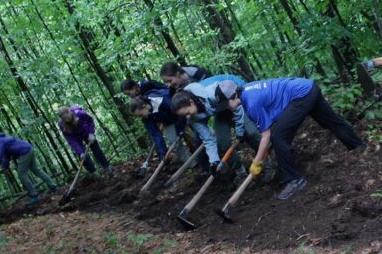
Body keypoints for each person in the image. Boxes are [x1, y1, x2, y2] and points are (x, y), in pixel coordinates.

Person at [218, 78, 364, 200]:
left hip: (300, 96)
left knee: (278, 138)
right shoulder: (248, 91)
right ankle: (358, 147)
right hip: (309, 87)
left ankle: (295, 180)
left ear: (233, 96)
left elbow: (266, 136)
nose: (226, 108)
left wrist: (257, 162)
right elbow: (274, 107)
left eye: (226, 104)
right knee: (332, 121)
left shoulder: (251, 103)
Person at [171, 74, 260, 179]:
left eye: (187, 112)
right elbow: (208, 139)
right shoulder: (192, 118)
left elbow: (236, 108)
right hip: (221, 109)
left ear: (191, 102)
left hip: (235, 96)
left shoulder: (210, 93)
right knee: (222, 144)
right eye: (184, 115)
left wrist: (239, 131)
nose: (188, 117)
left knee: (251, 132)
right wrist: (214, 162)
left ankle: (266, 164)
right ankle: (241, 173)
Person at [0, 127, 57, 207]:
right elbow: (6, 155)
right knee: (36, 170)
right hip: (28, 148)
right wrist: (5, 167)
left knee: (21, 175)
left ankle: (34, 195)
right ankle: (53, 186)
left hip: (24, 152)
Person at [128, 89, 191, 165]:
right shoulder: (146, 117)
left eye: (141, 115)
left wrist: (180, 129)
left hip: (182, 114)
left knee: (191, 136)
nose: (141, 117)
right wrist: (163, 154)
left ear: (144, 106)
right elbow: (155, 134)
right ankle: (191, 163)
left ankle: (202, 156)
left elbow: (178, 109)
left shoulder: (161, 100)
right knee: (174, 143)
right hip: (168, 122)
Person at [57, 106, 110, 175]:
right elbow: (71, 139)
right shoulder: (61, 125)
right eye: (65, 119)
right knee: (84, 157)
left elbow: (90, 120)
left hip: (86, 131)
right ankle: (93, 172)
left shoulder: (80, 113)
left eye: (68, 117)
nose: (68, 119)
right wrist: (80, 151)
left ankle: (107, 167)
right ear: (62, 119)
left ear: (70, 112)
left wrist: (91, 133)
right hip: (76, 137)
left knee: (96, 150)